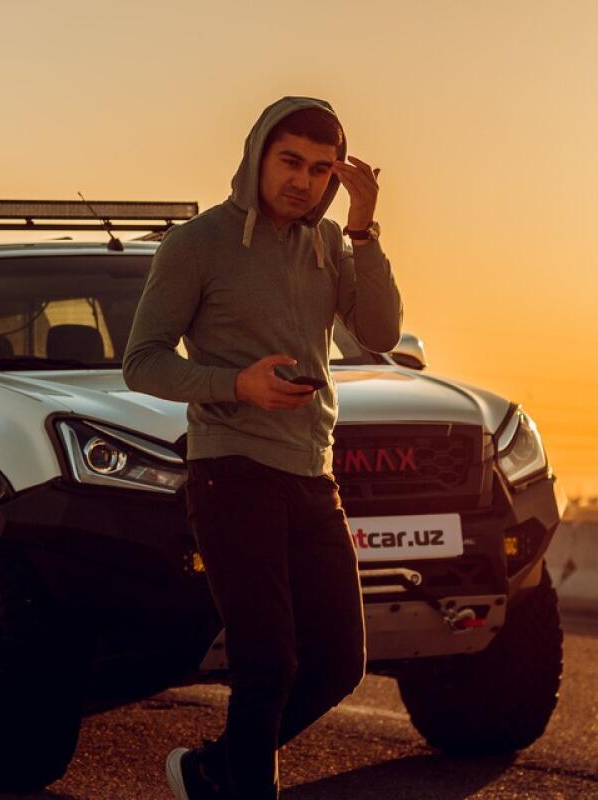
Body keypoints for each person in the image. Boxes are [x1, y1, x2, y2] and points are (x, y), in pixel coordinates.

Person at [122, 95, 403, 799]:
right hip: (229, 470)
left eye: (318, 170)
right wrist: (236, 385)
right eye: (289, 162)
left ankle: (215, 770)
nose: (303, 182)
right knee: (268, 663)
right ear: (257, 155)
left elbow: (380, 332)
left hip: (312, 473)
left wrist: (363, 227)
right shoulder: (197, 244)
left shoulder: (332, 246)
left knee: (339, 663)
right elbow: (143, 361)